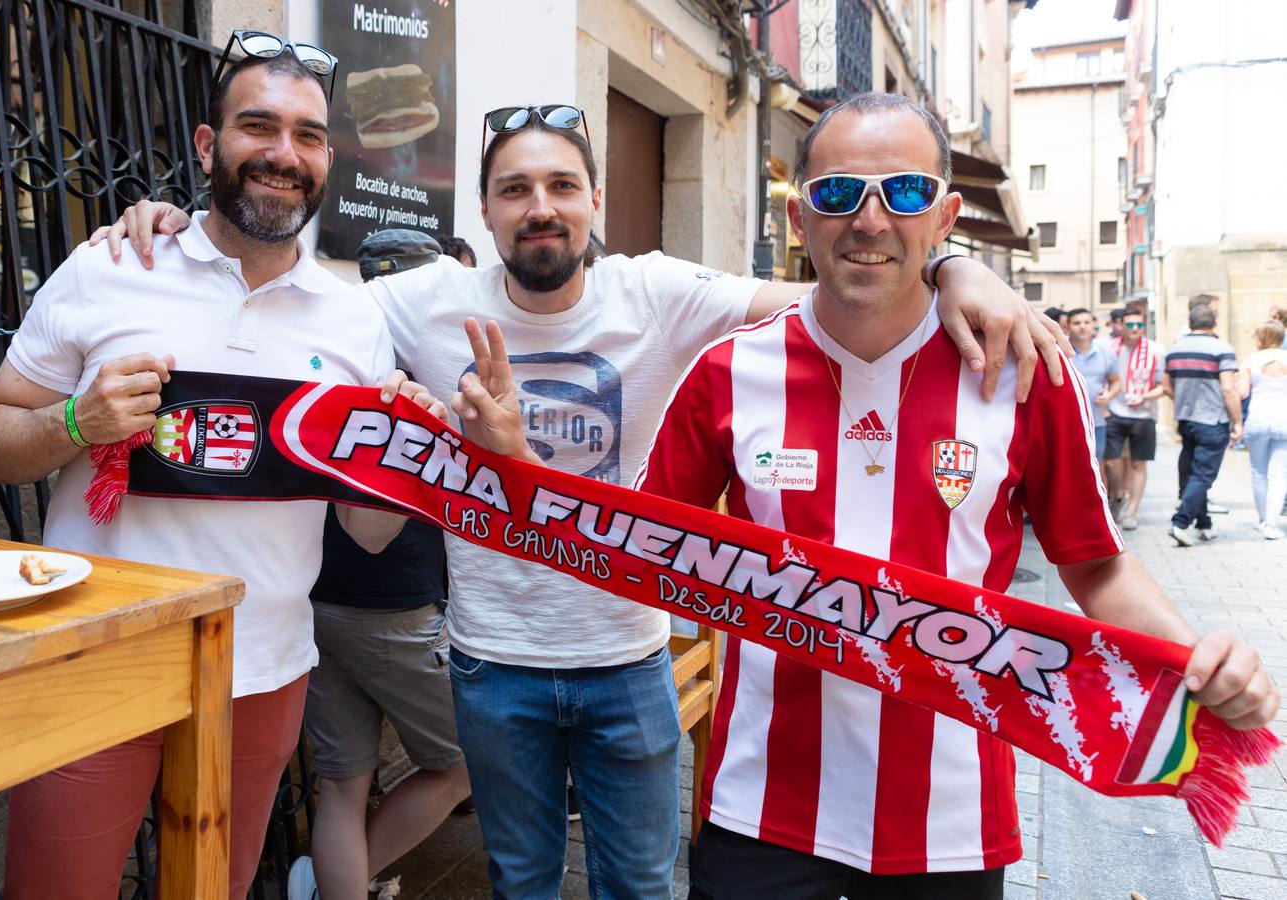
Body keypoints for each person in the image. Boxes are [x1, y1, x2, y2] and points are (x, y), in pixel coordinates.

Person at [92, 99, 1066, 899]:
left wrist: (952, 266)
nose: (541, 207)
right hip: (492, 664)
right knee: (520, 882)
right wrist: (173, 227)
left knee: (639, 886)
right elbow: (274, 283)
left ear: (596, 199)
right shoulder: (419, 301)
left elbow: (838, 291)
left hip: (628, 661)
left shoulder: (661, 293)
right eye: (516, 189)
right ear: (485, 211)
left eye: (562, 185)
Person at [447, 90, 1279, 899]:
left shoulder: (1024, 375)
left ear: (945, 218)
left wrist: (1194, 660)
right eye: (839, 192)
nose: (871, 220)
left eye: (905, 192)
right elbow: (627, 550)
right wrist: (517, 462)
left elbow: (1096, 565)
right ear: (800, 217)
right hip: (759, 807)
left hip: (950, 818)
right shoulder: (729, 373)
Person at [0, 41, 442, 899]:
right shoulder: (111, 267)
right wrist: (78, 420)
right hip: (94, 657)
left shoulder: (355, 321)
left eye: (306, 135)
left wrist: (405, 459)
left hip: (260, 669)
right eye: (256, 125)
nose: (282, 154)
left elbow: (365, 534)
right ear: (205, 144)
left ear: (328, 158)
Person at [290, 228, 470, 900]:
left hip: (314, 599)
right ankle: (353, 876)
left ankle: (335, 882)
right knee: (464, 766)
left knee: (341, 784)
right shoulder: (422, 376)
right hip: (393, 608)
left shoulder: (337, 355)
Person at [1164, 299, 1243, 546]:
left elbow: (1167, 386)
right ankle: (1180, 522)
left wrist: (1184, 400)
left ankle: (1204, 524)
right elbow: (1229, 389)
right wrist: (1238, 422)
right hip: (1213, 420)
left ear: (1189, 323)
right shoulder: (1222, 348)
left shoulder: (1174, 349)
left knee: (1193, 471)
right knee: (1203, 475)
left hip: (1186, 418)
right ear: (1215, 323)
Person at [1104, 308, 1167, 530]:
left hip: (1144, 414)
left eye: (1140, 325)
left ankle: (1132, 511)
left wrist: (1144, 396)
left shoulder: (1156, 351)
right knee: (1112, 461)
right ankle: (1118, 496)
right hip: (1114, 411)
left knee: (1139, 462)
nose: (1135, 329)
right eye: (1130, 325)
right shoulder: (1109, 348)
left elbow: (1163, 387)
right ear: (1121, 325)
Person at [1238, 319, 1287, 539]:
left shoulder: (1251, 360)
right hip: (1283, 420)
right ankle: (1271, 524)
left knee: (1259, 472)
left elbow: (1242, 392)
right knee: (1279, 474)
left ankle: (1261, 519)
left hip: (1257, 420)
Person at [1065, 307, 1121, 459]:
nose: (1082, 326)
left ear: (1093, 325)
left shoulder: (1106, 354)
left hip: (1096, 422)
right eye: (1077, 323)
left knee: (1096, 467)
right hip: (1066, 424)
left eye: (1086, 322)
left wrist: (1108, 396)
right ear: (1067, 327)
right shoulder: (1060, 353)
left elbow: (1116, 382)